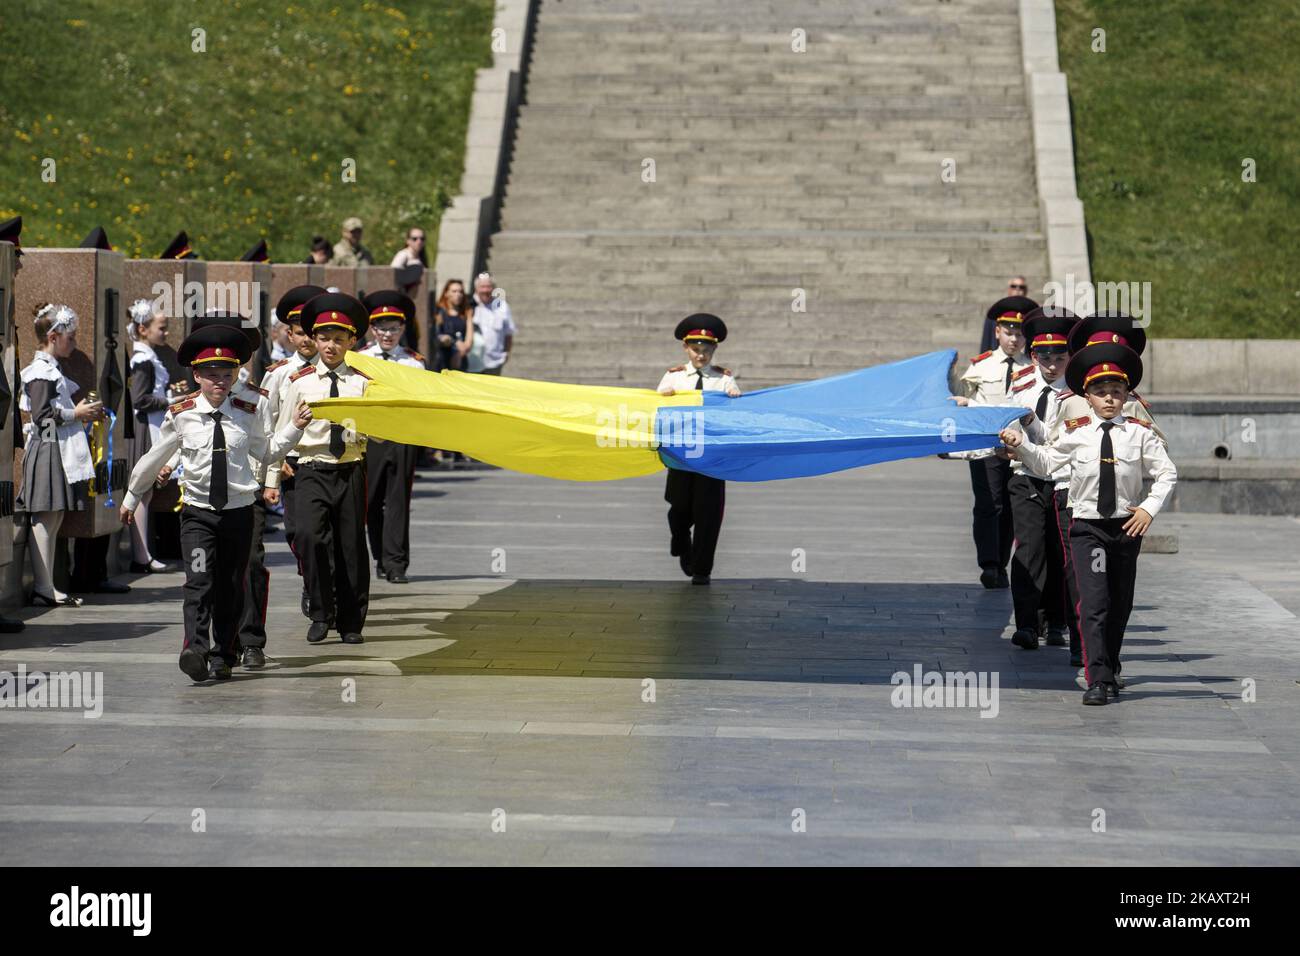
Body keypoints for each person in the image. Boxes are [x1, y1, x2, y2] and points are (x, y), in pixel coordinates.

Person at [120, 323, 311, 682]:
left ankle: (224, 652)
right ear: (196, 375)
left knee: (230, 585)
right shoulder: (182, 413)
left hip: (238, 513)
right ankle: (195, 648)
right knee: (198, 581)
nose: (219, 382)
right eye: (211, 375)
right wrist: (132, 496)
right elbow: (154, 456)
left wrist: (294, 428)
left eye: (226, 374)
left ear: (236, 374)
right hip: (197, 514)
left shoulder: (248, 410)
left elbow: (267, 451)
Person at [1000, 343, 1177, 705]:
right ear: (1087, 397)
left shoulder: (1139, 433)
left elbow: (1166, 473)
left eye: (1116, 392)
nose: (1109, 399)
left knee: (1119, 603)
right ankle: (1096, 678)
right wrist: (1021, 446)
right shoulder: (1077, 432)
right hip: (1087, 528)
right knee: (1093, 603)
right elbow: (1048, 463)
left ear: (1127, 395)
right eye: (1100, 393)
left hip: (1126, 529)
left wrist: (1148, 509)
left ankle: (1110, 666)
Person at [276, 292, 372, 644]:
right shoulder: (300, 382)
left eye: (339, 339)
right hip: (311, 468)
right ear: (313, 340)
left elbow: (375, 426)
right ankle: (320, 611)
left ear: (351, 342)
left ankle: (351, 621)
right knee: (310, 537)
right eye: (324, 338)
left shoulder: (362, 383)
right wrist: (273, 475)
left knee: (350, 546)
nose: (330, 346)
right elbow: (283, 433)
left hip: (349, 467)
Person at [16, 304, 102, 607]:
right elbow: (41, 416)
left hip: (56, 446)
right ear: (53, 336)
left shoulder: (51, 368)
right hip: (46, 445)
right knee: (45, 515)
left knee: (54, 516)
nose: (75, 342)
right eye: (71, 336)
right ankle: (43, 585)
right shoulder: (40, 371)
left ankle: (46, 584)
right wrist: (75, 412)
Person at [1001, 308, 1074, 651]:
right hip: (1026, 477)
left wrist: (1030, 423)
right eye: (1045, 358)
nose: (1052, 366)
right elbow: (1005, 423)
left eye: (1059, 358)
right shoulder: (1022, 385)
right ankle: (1027, 623)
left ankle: (1057, 620)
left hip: (1063, 481)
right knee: (1028, 550)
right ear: (1033, 356)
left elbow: (1054, 440)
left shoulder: (1078, 393)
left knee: (1060, 554)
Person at [952, 295, 1036, 589]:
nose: (1014, 339)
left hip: (1019, 447)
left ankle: (1002, 561)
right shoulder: (980, 367)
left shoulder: (1035, 368)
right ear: (997, 331)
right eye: (1009, 332)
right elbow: (964, 402)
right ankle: (990, 565)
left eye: (1020, 332)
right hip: (985, 445)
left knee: (1013, 506)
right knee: (989, 504)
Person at [657, 314, 741, 586]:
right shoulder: (674, 378)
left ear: (715, 349)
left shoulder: (723, 380)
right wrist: (666, 397)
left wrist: (733, 398)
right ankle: (681, 540)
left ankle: (702, 569)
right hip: (681, 455)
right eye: (696, 349)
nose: (701, 355)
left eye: (707, 350)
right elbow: (656, 407)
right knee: (679, 506)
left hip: (713, 457)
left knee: (709, 513)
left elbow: (736, 412)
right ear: (686, 348)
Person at [262, 287, 326, 613]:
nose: (306, 341)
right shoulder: (277, 374)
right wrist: (274, 469)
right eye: (299, 333)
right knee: (298, 532)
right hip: (292, 461)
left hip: (327, 459)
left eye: (311, 333)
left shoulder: (333, 370)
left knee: (323, 535)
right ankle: (309, 577)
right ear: (289, 334)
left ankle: (321, 589)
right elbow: (267, 422)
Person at [359, 291, 424, 583]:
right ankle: (380, 556)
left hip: (401, 437)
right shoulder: (359, 360)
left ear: (402, 330)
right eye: (382, 328)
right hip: (369, 437)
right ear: (373, 329)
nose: (388, 334)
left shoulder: (413, 363)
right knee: (370, 502)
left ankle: (396, 563)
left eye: (394, 328)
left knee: (398, 500)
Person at [125, 299, 178, 574]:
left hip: (153, 424)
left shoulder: (147, 355)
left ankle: (144, 552)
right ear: (143, 329)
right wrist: (171, 399)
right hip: (145, 425)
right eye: (162, 327)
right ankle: (141, 554)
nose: (166, 333)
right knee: (141, 490)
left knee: (145, 493)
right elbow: (140, 399)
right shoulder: (142, 359)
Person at [469, 272, 514, 375]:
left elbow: (509, 333)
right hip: (472, 362)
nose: (485, 290)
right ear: (476, 288)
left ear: (494, 288)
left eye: (488, 287)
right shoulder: (468, 305)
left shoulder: (502, 306)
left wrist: (507, 352)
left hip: (494, 362)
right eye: (482, 287)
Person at [432, 278, 474, 372]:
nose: (458, 294)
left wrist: (462, 351)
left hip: (460, 362)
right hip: (442, 361)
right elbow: (436, 336)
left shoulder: (466, 313)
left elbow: (469, 341)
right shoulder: (439, 312)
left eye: (460, 291)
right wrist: (453, 343)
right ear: (446, 293)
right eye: (454, 291)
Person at [981, 277, 1030, 353]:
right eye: (1014, 286)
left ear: (1026, 291)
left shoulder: (1031, 313)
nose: (1017, 289)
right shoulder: (996, 311)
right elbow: (987, 339)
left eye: (1021, 287)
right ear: (1009, 289)